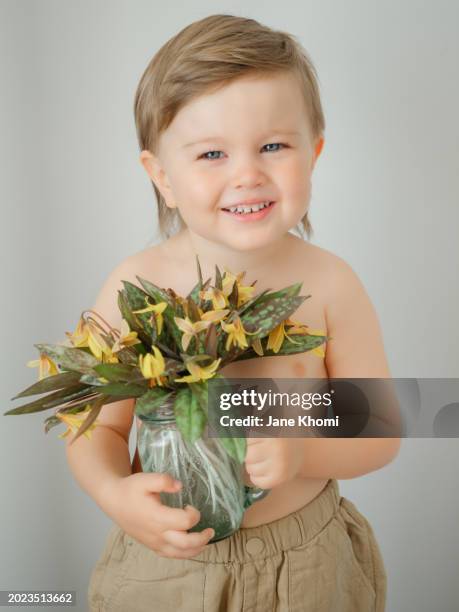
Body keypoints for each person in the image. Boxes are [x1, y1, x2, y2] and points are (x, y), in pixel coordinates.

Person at [65, 13, 400, 611]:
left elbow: (381, 428)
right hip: (169, 567)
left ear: (314, 152)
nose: (247, 173)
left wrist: (302, 451)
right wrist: (113, 493)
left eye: (274, 145)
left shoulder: (328, 283)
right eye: (212, 153)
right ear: (161, 176)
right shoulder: (136, 286)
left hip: (306, 564)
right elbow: (96, 427)